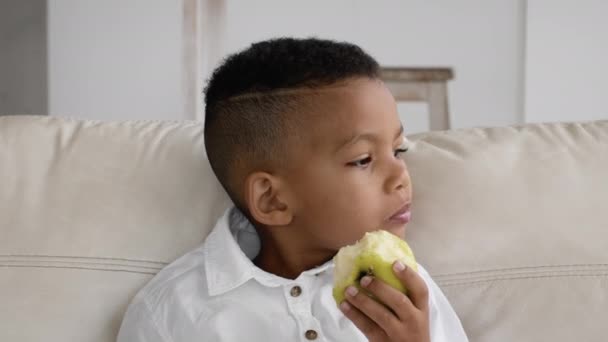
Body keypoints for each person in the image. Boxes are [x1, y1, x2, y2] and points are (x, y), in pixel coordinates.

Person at [117, 37, 468, 342]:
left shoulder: (406, 288)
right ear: (272, 199)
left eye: (398, 150)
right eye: (363, 159)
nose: (401, 176)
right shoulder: (171, 312)